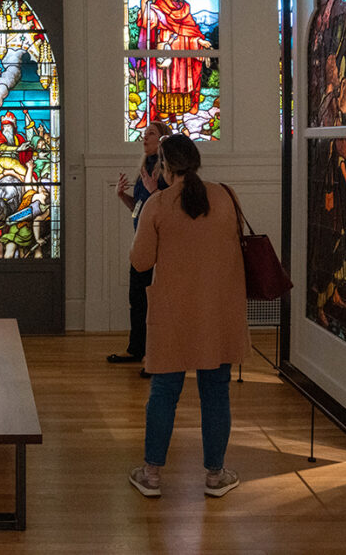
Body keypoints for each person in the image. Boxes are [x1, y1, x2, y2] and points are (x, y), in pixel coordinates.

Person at [127, 134, 249, 499]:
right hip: (218, 311)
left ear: (164, 167)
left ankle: (150, 476)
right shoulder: (225, 195)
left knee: (164, 392)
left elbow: (141, 262)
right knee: (215, 392)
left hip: (172, 314)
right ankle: (215, 476)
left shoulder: (158, 204)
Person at [107, 120, 170, 376]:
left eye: (151, 134)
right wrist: (123, 196)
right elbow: (140, 207)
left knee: (155, 302)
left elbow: (169, 207)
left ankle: (156, 356)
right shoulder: (145, 167)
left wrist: (156, 191)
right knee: (137, 298)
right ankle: (137, 349)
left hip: (162, 246)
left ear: (163, 139)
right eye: (144, 135)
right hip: (142, 242)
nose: (144, 139)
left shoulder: (168, 169)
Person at [140, 0, 212, 118]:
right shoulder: (159, 6)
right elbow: (149, 22)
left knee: (182, 89)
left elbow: (190, 32)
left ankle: (180, 122)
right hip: (166, 53)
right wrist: (144, 4)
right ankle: (165, 122)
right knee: (165, 88)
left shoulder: (185, 9)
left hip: (183, 56)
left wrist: (200, 41)